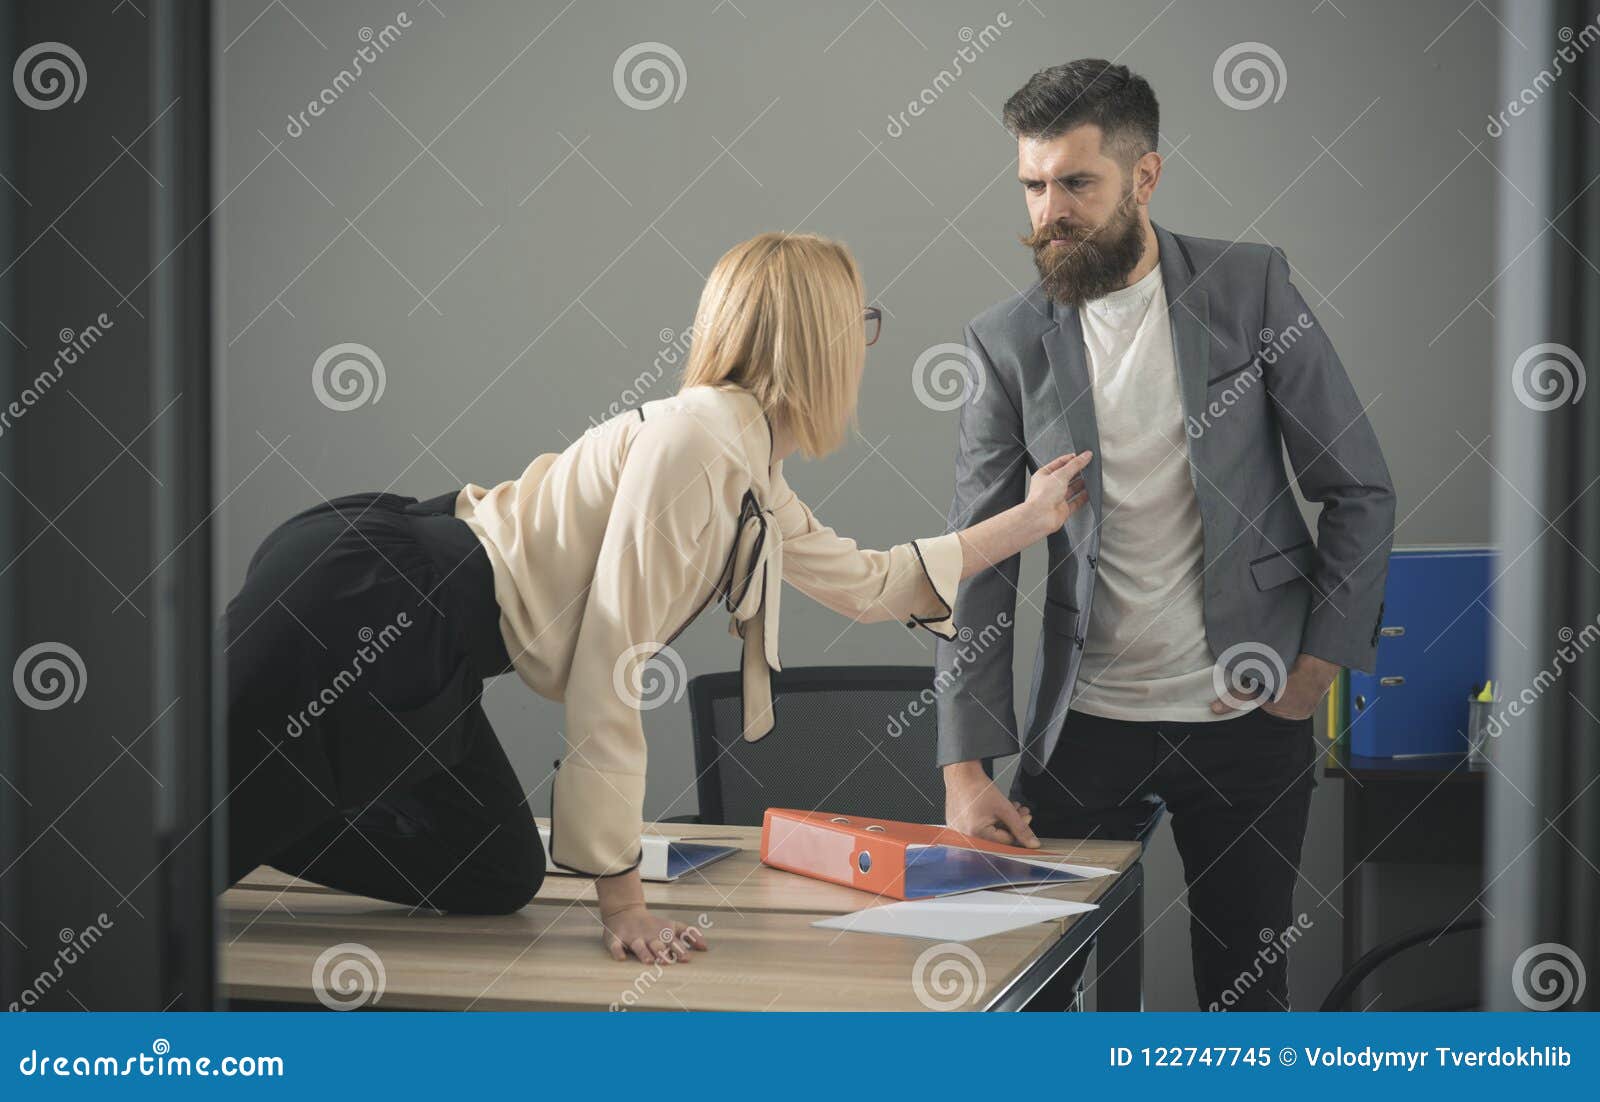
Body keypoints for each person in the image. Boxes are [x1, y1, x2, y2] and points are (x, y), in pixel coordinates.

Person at [221, 231, 1093, 966]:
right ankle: (238, 826)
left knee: (492, 874)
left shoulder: (748, 462)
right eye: (858, 325)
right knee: (168, 850)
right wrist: (622, 905)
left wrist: (1031, 518)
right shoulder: (700, 447)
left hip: (436, 639)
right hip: (378, 604)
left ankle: (262, 820)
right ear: (820, 340)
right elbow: (613, 661)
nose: (865, 346)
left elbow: (871, 584)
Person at [934, 60, 1396, 1010]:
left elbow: (1357, 485)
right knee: (1038, 993)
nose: (1048, 209)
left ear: (1144, 178)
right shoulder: (1006, 340)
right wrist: (963, 765)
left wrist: (1318, 663)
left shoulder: (1250, 287)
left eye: (1076, 183)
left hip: (1249, 715)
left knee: (1244, 996)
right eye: (1031, 183)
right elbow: (978, 557)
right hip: (1088, 724)